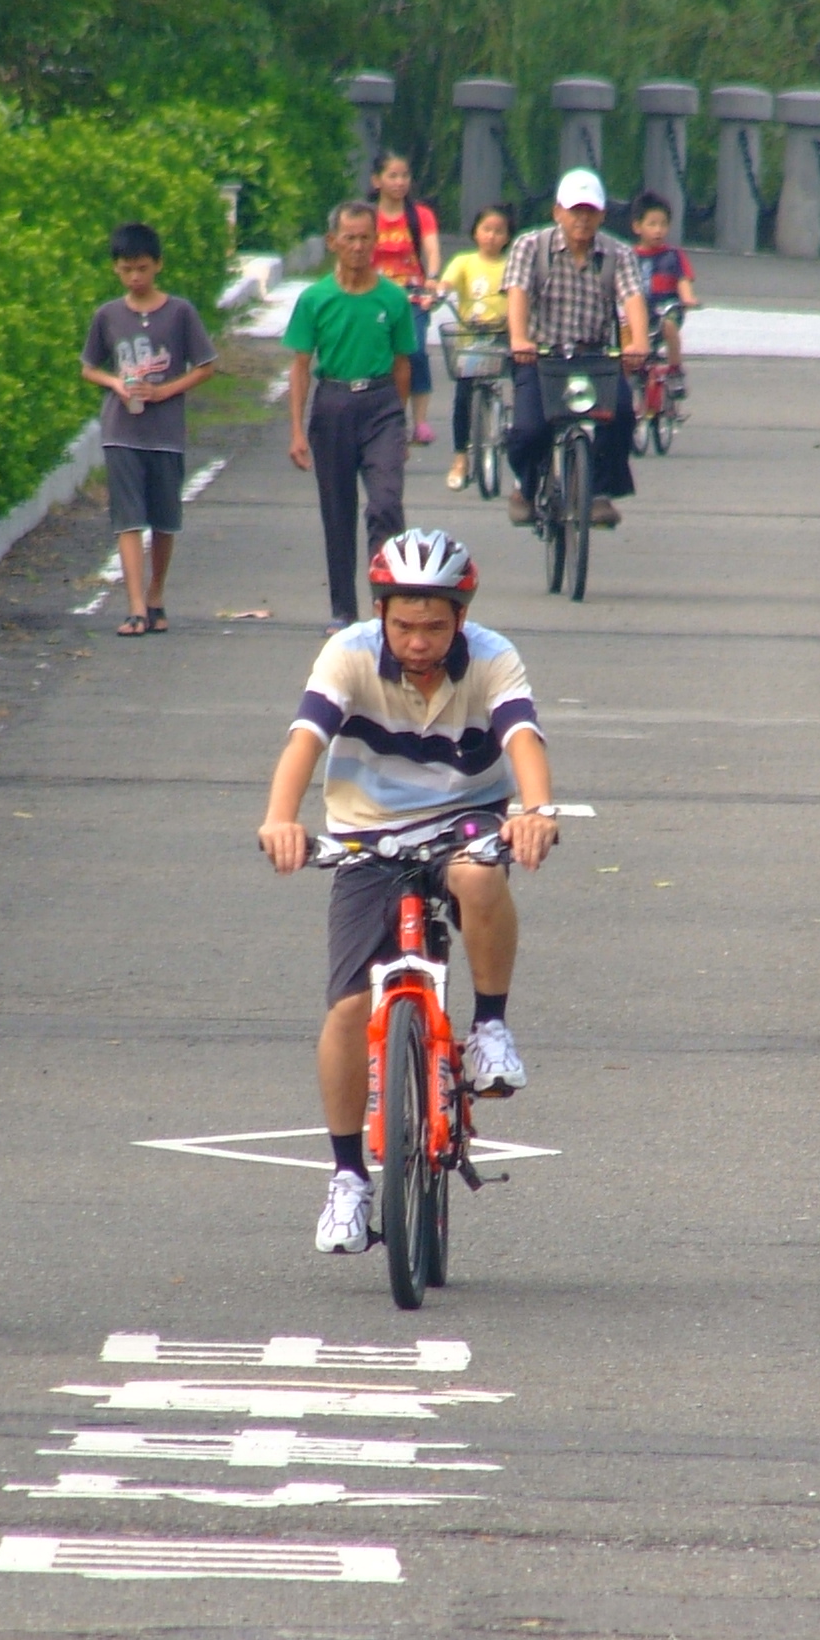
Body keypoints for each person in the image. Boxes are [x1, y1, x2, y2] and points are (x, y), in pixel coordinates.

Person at [253, 529, 558, 1256]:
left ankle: (488, 1029)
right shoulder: (349, 653)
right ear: (381, 614)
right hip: (367, 831)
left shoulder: (492, 655)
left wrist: (536, 812)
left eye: (435, 626)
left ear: (460, 616)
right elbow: (305, 740)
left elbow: (523, 739)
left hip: (467, 818)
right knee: (350, 1006)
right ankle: (350, 1178)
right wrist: (279, 819)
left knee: (480, 874)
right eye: (403, 625)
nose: (418, 642)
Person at [282, 197, 428, 628]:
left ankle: (389, 603)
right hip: (333, 406)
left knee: (385, 504)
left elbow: (404, 365)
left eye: (367, 238)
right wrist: (296, 430)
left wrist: (397, 425)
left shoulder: (393, 298)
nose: (359, 247)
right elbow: (301, 366)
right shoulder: (316, 299)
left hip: (381, 404)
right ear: (333, 242)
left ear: (377, 242)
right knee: (337, 510)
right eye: (350, 238)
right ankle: (343, 612)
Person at [80, 222, 217, 638]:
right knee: (128, 519)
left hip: (165, 432)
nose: (135, 277)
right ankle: (135, 605)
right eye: (126, 269)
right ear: (116, 270)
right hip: (121, 429)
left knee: (164, 518)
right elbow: (90, 368)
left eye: (142, 268)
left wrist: (165, 392)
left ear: (158, 265)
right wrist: (115, 384)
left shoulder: (179, 313)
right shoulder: (108, 315)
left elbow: (207, 366)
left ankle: (156, 594)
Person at [501, 167, 648, 530]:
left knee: (623, 415)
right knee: (529, 430)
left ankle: (599, 491)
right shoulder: (531, 246)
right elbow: (517, 294)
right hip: (540, 356)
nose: (582, 219)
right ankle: (526, 485)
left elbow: (632, 298)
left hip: (594, 356)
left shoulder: (617, 253)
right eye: (574, 211)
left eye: (590, 212)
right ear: (557, 212)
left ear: (601, 214)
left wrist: (640, 344)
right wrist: (519, 339)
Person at [366, 151, 445, 446]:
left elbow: (431, 250)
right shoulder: (367, 216)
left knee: (415, 352)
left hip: (412, 297)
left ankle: (420, 421)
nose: (400, 183)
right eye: (392, 176)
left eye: (404, 176)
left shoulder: (420, 216)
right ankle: (382, 417)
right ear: (377, 181)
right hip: (373, 296)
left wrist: (433, 278)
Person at [437, 205, 514, 490]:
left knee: (524, 383)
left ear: (507, 236)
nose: (492, 236)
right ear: (475, 232)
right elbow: (446, 282)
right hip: (472, 342)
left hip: (504, 339)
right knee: (463, 395)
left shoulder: (512, 264)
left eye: (499, 231)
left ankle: (521, 451)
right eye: (486, 229)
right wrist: (439, 291)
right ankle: (460, 458)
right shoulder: (464, 261)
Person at [628, 193, 697, 428]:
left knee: (669, 326)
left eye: (663, 225)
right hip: (641, 313)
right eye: (652, 224)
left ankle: (675, 370)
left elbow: (683, 280)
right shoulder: (629, 257)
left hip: (668, 308)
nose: (658, 230)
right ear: (637, 227)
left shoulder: (673, 256)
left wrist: (687, 298)